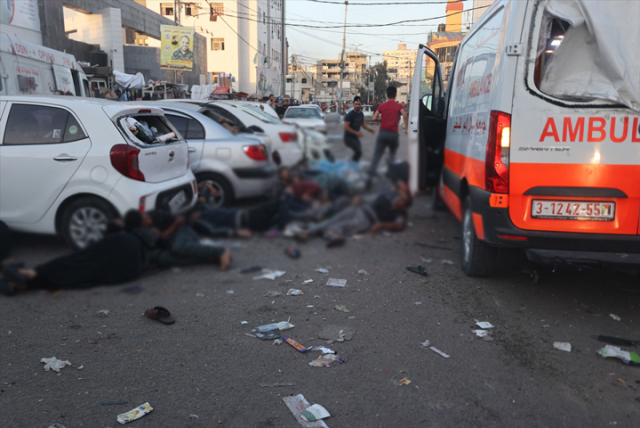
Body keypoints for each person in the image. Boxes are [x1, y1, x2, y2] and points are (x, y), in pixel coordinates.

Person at [0, 211, 157, 296]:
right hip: (126, 270)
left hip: (119, 248)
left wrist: (118, 226)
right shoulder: (147, 250)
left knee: (74, 263)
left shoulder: (128, 235)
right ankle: (19, 283)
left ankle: (25, 274)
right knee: (81, 276)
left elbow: (115, 229)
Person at [296, 182, 412, 247]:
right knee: (334, 219)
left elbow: (400, 225)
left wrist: (381, 224)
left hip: (367, 220)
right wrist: (358, 198)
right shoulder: (386, 198)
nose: (399, 199)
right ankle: (308, 232)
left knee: (345, 224)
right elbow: (370, 198)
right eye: (400, 197)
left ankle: (335, 236)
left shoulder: (400, 214)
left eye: (403, 200)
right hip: (359, 209)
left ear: (404, 205)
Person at [368, 86, 408, 183]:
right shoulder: (399, 106)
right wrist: (407, 128)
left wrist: (381, 119)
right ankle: (392, 175)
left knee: (377, 155)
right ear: (395, 95)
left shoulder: (381, 106)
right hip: (393, 134)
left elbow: (373, 118)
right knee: (392, 155)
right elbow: (405, 115)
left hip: (383, 133)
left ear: (386, 95)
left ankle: (369, 177)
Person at [343, 96, 375, 162]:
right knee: (358, 152)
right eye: (356, 104)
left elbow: (362, 123)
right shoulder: (350, 115)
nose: (357, 106)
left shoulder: (361, 113)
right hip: (348, 138)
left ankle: (353, 165)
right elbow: (346, 127)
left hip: (355, 137)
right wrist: (356, 132)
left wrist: (369, 129)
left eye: (359, 104)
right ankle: (352, 165)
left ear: (361, 104)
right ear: (353, 104)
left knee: (359, 152)